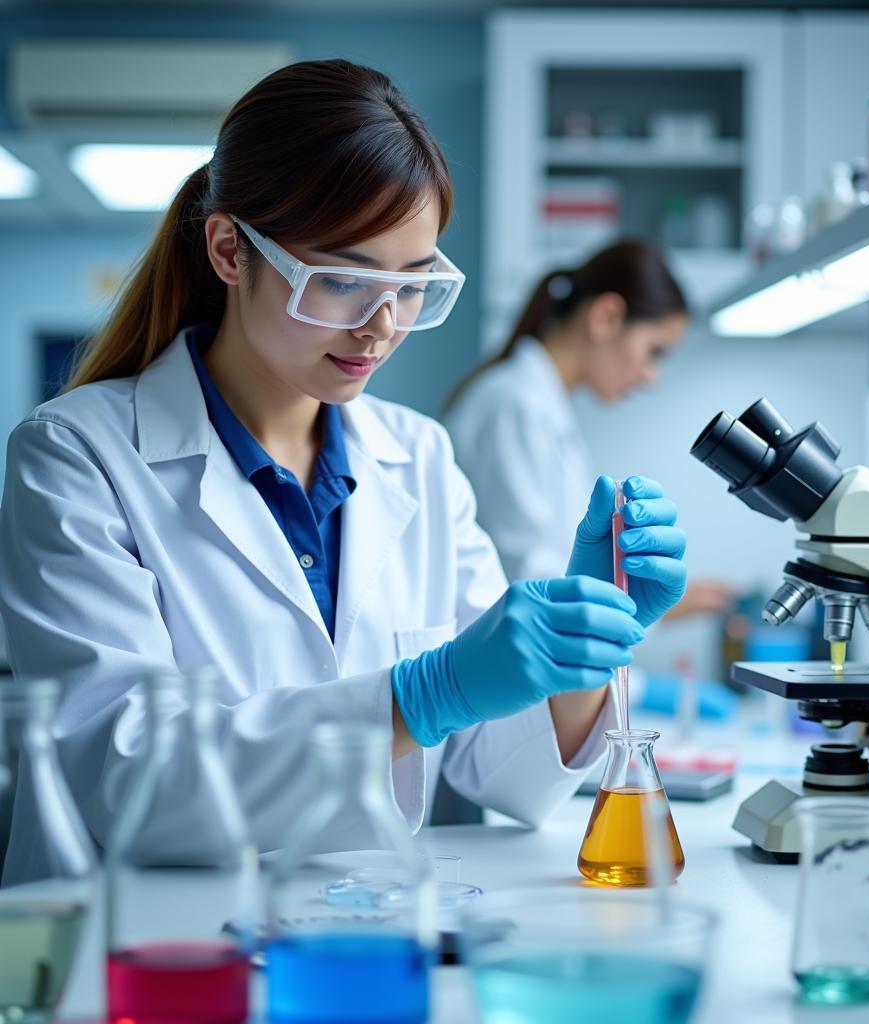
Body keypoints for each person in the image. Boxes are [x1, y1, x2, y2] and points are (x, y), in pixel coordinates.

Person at [0, 60, 687, 885]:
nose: (382, 326)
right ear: (229, 250)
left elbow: (504, 773)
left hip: (361, 939)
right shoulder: (77, 454)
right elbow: (128, 779)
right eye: (342, 281)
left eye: (411, 283)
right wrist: (419, 696)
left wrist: (584, 646)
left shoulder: (420, 456)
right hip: (149, 956)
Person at [445, 242, 733, 615]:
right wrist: (645, 600)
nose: (651, 378)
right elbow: (528, 578)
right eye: (654, 351)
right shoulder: (515, 406)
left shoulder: (541, 406)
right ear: (606, 318)